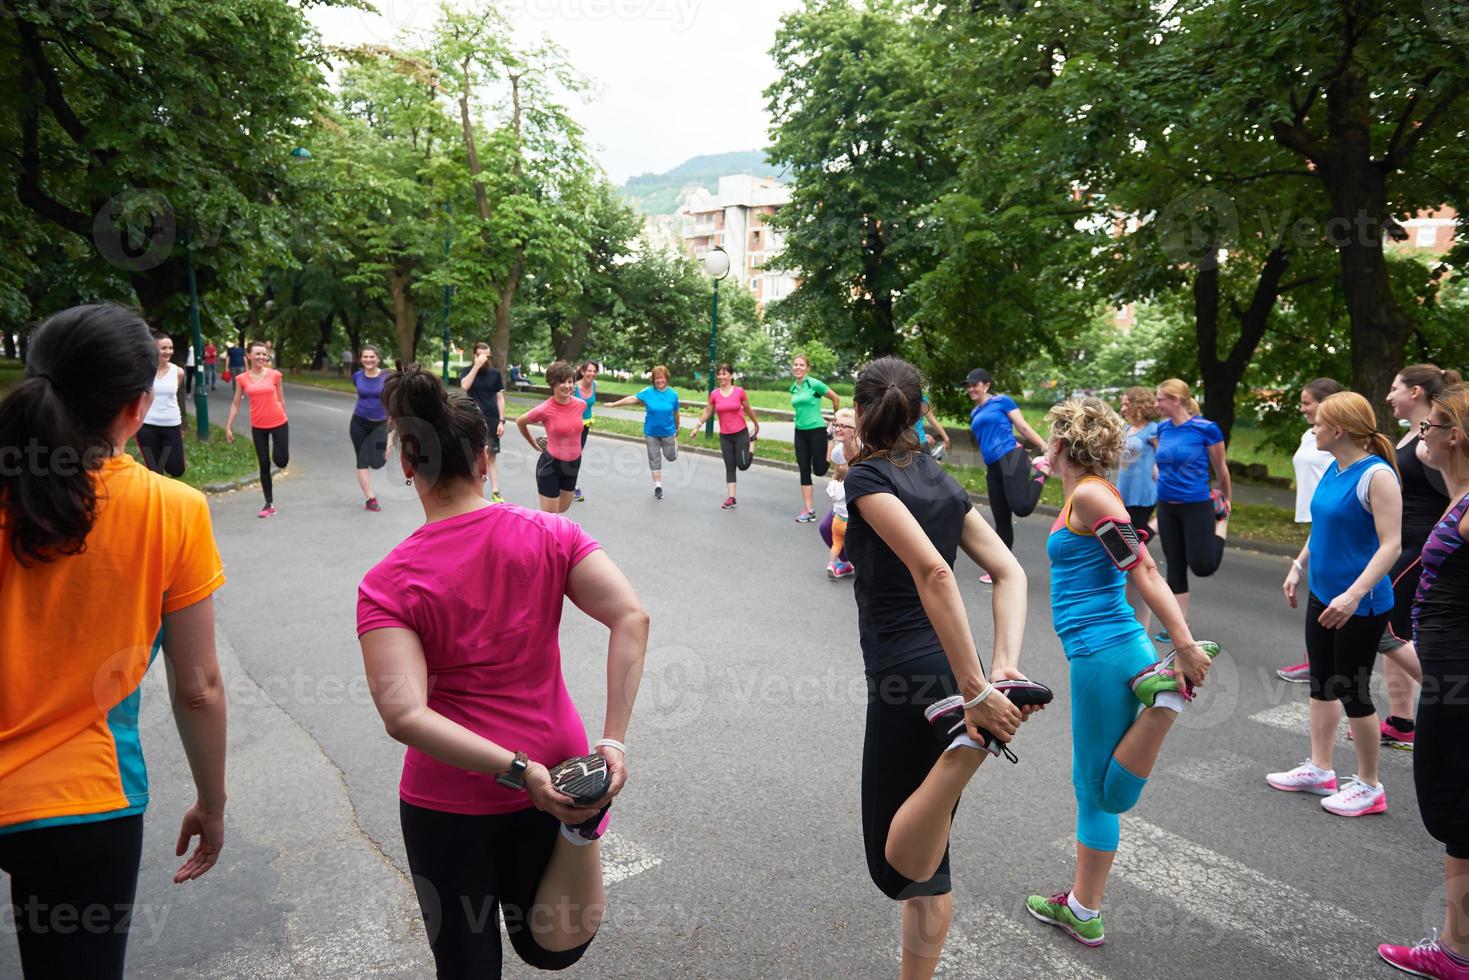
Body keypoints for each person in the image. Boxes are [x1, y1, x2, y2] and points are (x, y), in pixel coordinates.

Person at [358, 364, 648, 979]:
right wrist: (613, 739)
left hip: (449, 796)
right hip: (563, 772)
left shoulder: (388, 582)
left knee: (466, 966)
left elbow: (404, 714)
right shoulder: (554, 533)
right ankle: (581, 831)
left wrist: (517, 772)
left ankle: (578, 831)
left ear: (408, 466)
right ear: (486, 459)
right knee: (553, 945)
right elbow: (631, 617)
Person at [0, 304, 228, 980]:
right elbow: (199, 687)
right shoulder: (172, 510)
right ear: (137, 404)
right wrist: (211, 805)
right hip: (84, 800)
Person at [841, 355, 1036, 979]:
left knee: (896, 865)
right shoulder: (942, 480)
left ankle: (970, 745)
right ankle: (969, 737)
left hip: (913, 675)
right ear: (922, 410)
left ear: (864, 410)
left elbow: (934, 571)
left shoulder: (866, 479)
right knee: (934, 865)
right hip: (957, 675)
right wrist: (999, 668)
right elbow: (1010, 572)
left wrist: (981, 692)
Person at [1024, 397, 1218, 948]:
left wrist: (1181, 642)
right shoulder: (1085, 492)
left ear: (1063, 443)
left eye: (1050, 436)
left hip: (1101, 652)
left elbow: (1145, 568)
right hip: (1114, 650)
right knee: (1103, 788)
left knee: (1094, 791)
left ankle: (1084, 910)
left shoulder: (1089, 495)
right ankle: (1164, 701)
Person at [1272, 391, 1402, 817]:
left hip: (1359, 604)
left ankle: (1369, 785)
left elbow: (1392, 546)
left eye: (1319, 423)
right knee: (1322, 684)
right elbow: (1321, 526)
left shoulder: (1376, 476)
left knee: (1351, 690)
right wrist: (1298, 565)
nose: (1313, 428)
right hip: (1324, 595)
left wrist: (1354, 594)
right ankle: (1320, 769)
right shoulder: (1334, 467)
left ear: (1339, 430)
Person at [1377, 382, 1469, 978]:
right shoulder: (1459, 498)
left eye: (1431, 426)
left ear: (1455, 436)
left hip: (1460, 684)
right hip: (1449, 677)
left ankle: (1457, 951)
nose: (1422, 436)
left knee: (1455, 808)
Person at [1372, 364, 1461, 750]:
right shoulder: (1416, 436)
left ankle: (1449, 697)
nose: (1389, 395)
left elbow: (1457, 493)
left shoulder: (1432, 442)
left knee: (1382, 627)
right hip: (1404, 542)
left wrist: (1438, 539)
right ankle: (1402, 719)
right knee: (1399, 631)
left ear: (1417, 392)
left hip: (1418, 546)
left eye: (1395, 388)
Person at [1151, 379, 1231, 641]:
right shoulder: (1162, 429)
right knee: (1174, 564)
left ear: (1176, 400)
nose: (1156, 403)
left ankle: (1222, 524)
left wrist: (1226, 500)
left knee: (1202, 565)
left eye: (1160, 399)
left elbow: (1220, 468)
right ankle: (1179, 625)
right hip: (1166, 505)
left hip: (1196, 505)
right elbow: (1161, 463)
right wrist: (1159, 475)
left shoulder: (1206, 429)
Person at [1278, 377, 1345, 683]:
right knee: (1319, 590)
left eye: (1307, 402)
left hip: (1333, 519)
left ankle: (1325, 665)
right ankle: (1318, 662)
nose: (1302, 408)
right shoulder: (1312, 435)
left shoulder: (1338, 440)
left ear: (1328, 402)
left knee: (1378, 632)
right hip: (1316, 518)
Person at [965, 367, 1051, 574]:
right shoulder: (975, 412)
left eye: (975, 384)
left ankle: (1042, 471)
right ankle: (1001, 569)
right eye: (968, 386)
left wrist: (1046, 449)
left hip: (1011, 457)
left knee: (1021, 507)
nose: (971, 389)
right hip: (993, 467)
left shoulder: (1002, 402)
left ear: (986, 385)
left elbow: (1022, 427)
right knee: (1002, 519)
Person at [224, 340, 289, 518]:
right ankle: (269, 503)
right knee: (264, 464)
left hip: (279, 423)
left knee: (281, 461)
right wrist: (228, 426)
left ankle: (279, 455)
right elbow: (236, 404)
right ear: (249, 356)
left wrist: (284, 415)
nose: (261, 357)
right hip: (258, 426)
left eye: (263, 353)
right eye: (257, 354)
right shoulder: (242, 379)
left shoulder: (275, 375)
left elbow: (281, 399)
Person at [687, 363, 761, 509]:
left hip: (740, 433)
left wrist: (755, 424)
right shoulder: (714, 394)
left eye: (724, 373)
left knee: (743, 465)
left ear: (731, 376)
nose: (721, 377)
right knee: (730, 466)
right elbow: (708, 411)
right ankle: (731, 498)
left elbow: (747, 408)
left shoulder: (739, 392)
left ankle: (752, 442)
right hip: (725, 435)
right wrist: (697, 426)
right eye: (719, 374)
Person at [516, 361, 587, 514]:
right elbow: (520, 422)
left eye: (570, 381)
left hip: (574, 463)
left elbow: (570, 427)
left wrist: (552, 435)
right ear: (553, 384)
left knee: (563, 508)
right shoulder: (545, 409)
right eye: (562, 382)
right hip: (551, 465)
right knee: (551, 516)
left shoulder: (581, 405)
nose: (567, 386)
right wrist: (533, 442)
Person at [1117, 386, 1160, 633]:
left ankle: (1135, 613)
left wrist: (1165, 485)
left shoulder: (1152, 430)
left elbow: (1162, 459)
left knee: (1130, 552)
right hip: (1123, 494)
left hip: (1143, 495)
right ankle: (1130, 608)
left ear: (1138, 404)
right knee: (1128, 551)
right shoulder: (1124, 429)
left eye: (1126, 404)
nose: (1122, 408)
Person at [606, 365, 681, 499]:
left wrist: (677, 428)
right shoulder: (648, 392)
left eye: (662, 378)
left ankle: (673, 446)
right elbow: (631, 399)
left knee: (671, 457)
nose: (659, 381)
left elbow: (676, 413)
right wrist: (613, 404)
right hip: (651, 432)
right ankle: (658, 486)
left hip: (668, 432)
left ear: (667, 379)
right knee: (654, 458)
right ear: (653, 380)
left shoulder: (673, 395)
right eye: (656, 378)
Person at [790, 353, 842, 522]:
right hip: (800, 432)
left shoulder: (814, 384)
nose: (798, 367)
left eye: (801, 365)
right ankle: (809, 510)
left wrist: (836, 419)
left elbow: (835, 397)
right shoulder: (793, 387)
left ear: (807, 368)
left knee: (819, 470)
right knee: (804, 469)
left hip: (817, 431)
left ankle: (830, 440)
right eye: (795, 364)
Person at [135, 330, 188, 478]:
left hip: (171, 425)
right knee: (155, 471)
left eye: (170, 348)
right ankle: (159, 498)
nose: (168, 351)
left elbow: (173, 395)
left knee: (177, 468)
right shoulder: (144, 372)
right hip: (147, 426)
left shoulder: (178, 372)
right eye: (164, 348)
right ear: (154, 349)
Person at [459, 342, 506, 502]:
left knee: (491, 455)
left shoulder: (495, 374)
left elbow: (500, 398)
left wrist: (502, 421)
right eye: (482, 356)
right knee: (473, 455)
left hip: (492, 418)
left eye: (488, 356)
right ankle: (474, 490)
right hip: (473, 418)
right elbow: (465, 385)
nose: (485, 359)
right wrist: (476, 367)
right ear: (475, 356)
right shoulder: (467, 371)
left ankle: (495, 490)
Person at [349, 345, 391, 512]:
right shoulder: (357, 376)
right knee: (362, 461)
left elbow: (393, 398)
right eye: (365, 357)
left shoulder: (386, 376)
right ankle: (370, 498)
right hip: (358, 423)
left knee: (378, 462)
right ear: (361, 359)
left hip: (380, 425)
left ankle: (389, 444)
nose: (368, 360)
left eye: (371, 357)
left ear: (377, 358)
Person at [820, 407, 859, 578]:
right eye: (836, 425)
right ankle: (845, 561)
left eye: (844, 426)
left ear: (855, 431)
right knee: (824, 528)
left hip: (863, 503)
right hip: (844, 504)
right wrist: (836, 493)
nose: (838, 428)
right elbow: (837, 475)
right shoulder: (837, 451)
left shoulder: (865, 451)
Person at [572, 361, 598, 502]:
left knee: (576, 454)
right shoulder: (574, 388)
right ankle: (572, 486)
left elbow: (589, 405)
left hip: (585, 425)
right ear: (583, 372)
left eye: (594, 371)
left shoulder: (595, 385)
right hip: (572, 425)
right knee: (571, 454)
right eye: (589, 371)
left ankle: (570, 484)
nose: (592, 374)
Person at [916, 393, 951, 459]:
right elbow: (931, 419)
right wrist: (946, 438)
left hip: (903, 444)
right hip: (920, 442)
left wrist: (946, 438)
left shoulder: (896, 396)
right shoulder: (921, 399)